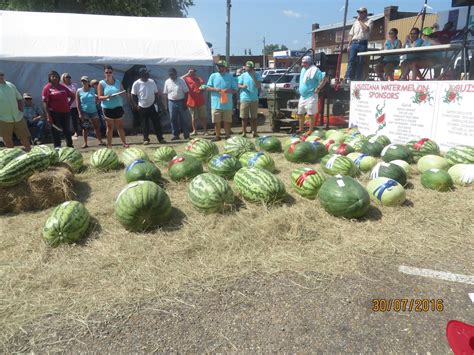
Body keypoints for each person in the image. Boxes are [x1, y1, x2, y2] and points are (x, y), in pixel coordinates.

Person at [203, 60, 238, 141]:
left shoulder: (230, 77)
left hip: (227, 104)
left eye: (220, 66)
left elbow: (235, 90)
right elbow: (207, 87)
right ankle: (217, 136)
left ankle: (227, 135)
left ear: (225, 67)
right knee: (216, 121)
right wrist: (215, 89)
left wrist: (228, 91)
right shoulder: (213, 76)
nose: (218, 67)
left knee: (227, 121)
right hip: (216, 104)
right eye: (218, 66)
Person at [131, 67, 166, 145]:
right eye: (146, 73)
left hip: (152, 106)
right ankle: (146, 139)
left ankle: (160, 138)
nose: (148, 74)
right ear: (141, 74)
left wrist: (159, 104)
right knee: (145, 124)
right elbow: (133, 95)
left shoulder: (152, 82)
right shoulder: (136, 83)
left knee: (157, 123)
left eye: (148, 73)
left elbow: (156, 93)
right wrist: (135, 106)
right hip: (142, 107)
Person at [97, 65, 129, 148]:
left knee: (120, 126)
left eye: (110, 72)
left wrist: (121, 93)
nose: (108, 74)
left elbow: (123, 92)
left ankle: (124, 143)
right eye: (106, 72)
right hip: (107, 108)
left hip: (118, 106)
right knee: (110, 127)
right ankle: (109, 144)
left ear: (112, 73)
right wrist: (107, 97)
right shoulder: (101, 83)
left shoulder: (118, 82)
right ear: (104, 73)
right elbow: (99, 97)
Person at [42, 70, 75, 148]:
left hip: (65, 112)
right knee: (55, 130)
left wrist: (69, 104)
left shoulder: (62, 87)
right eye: (52, 76)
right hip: (54, 113)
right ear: (49, 78)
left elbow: (72, 96)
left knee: (66, 129)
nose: (55, 78)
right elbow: (45, 102)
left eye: (56, 76)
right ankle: (57, 146)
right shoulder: (47, 88)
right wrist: (48, 115)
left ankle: (70, 145)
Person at [296, 56, 327, 135]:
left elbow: (324, 79)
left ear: (309, 63)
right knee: (300, 113)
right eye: (302, 63)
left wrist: (319, 88)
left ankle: (310, 130)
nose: (303, 64)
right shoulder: (303, 69)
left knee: (310, 114)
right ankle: (301, 129)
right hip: (302, 96)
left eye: (305, 63)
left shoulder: (315, 70)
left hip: (311, 95)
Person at [0, 73, 31, 150]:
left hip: (18, 117)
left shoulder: (10, 85)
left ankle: (29, 152)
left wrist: (20, 107)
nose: (1, 77)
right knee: (7, 140)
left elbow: (19, 97)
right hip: (3, 119)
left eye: (1, 75)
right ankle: (12, 157)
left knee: (25, 137)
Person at [345, 7, 373, 81]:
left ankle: (358, 79)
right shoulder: (355, 23)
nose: (359, 14)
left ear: (365, 13)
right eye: (359, 12)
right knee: (351, 60)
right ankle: (349, 77)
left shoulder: (369, 21)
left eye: (361, 12)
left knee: (361, 62)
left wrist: (360, 21)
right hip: (354, 43)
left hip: (362, 43)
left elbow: (367, 29)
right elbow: (351, 34)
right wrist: (349, 45)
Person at [76, 76, 104, 148]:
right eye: (82, 81)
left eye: (85, 81)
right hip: (84, 112)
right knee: (85, 128)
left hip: (93, 111)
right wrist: (79, 113)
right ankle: (85, 143)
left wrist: (97, 102)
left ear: (88, 82)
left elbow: (98, 97)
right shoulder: (79, 91)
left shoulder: (92, 89)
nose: (84, 82)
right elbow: (78, 103)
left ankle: (100, 141)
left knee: (96, 127)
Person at [163, 68, 190, 141]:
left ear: (176, 73)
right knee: (173, 119)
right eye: (170, 75)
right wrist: (166, 105)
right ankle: (175, 135)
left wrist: (185, 103)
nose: (171, 76)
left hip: (181, 102)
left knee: (183, 119)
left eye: (172, 74)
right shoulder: (167, 81)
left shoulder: (181, 81)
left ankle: (186, 135)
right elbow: (165, 94)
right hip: (171, 102)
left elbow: (186, 92)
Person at [237, 61, 262, 137]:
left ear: (252, 68)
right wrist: (242, 86)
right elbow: (237, 84)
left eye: (249, 67)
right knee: (244, 117)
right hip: (244, 98)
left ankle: (255, 132)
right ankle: (244, 132)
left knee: (254, 117)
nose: (247, 68)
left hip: (254, 99)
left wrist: (254, 77)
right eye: (247, 67)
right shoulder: (243, 75)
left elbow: (258, 86)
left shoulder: (257, 75)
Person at [181, 68, 208, 136]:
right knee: (194, 117)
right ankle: (194, 131)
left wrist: (203, 89)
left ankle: (205, 131)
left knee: (203, 116)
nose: (192, 73)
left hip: (201, 100)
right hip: (191, 101)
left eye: (193, 72)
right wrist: (188, 74)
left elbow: (203, 86)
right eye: (191, 72)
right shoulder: (186, 79)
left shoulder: (199, 78)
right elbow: (179, 79)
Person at [61, 73, 80, 138]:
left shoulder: (74, 85)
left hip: (77, 104)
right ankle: (76, 132)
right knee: (74, 119)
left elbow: (78, 93)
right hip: (70, 105)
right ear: (63, 79)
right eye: (67, 77)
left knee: (81, 118)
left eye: (69, 77)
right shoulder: (63, 86)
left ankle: (84, 130)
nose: (68, 78)